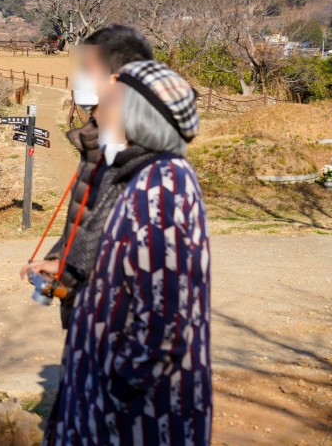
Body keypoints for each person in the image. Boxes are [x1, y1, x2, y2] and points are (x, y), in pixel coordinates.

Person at [46, 59, 211, 446]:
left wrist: (113, 386)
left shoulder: (164, 187)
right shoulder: (141, 176)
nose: (96, 114)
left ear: (136, 115)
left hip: (140, 418)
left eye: (107, 103)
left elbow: (164, 321)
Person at [20, 25, 153, 329]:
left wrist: (67, 270)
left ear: (116, 81)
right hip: (85, 309)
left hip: (116, 319)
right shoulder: (95, 143)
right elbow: (86, 221)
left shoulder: (136, 156)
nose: (77, 77)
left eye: (87, 69)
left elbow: (116, 242)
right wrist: (59, 259)